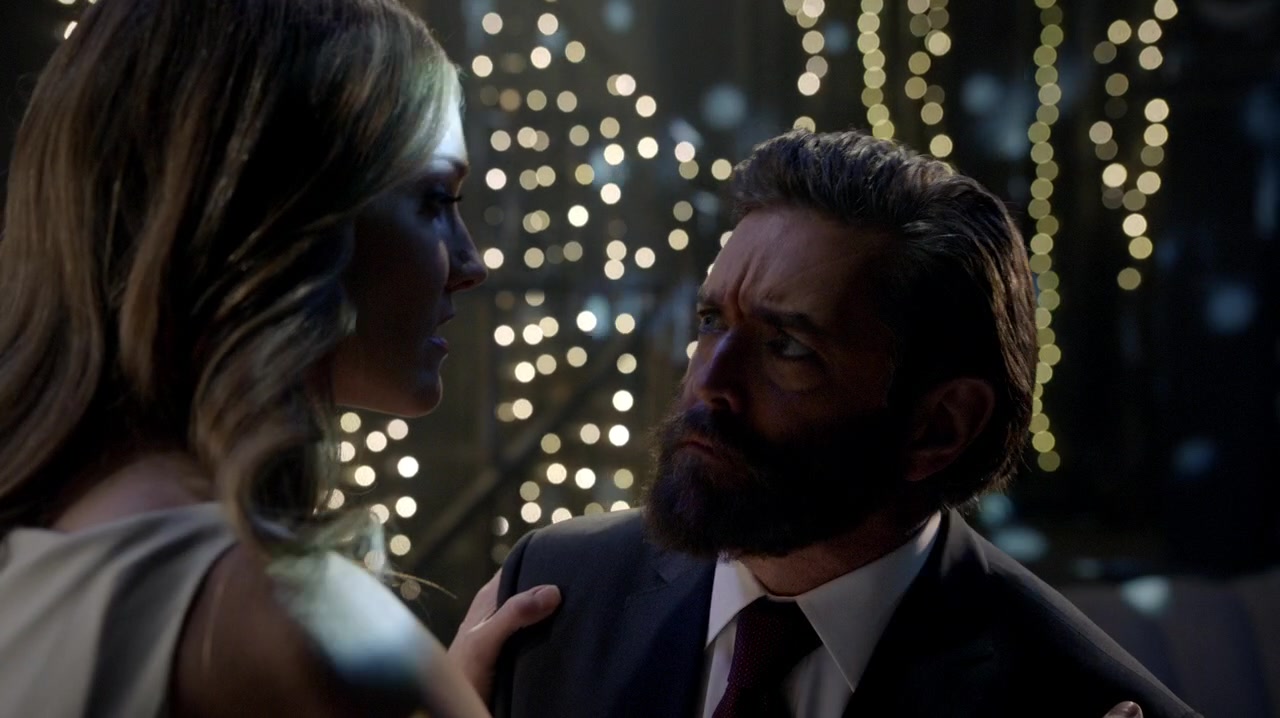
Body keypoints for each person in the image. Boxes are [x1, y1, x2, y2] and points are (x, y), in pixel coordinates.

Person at [483, 130, 1202, 718]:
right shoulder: (553, 595)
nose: (709, 382)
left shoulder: (1072, 701)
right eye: (711, 321)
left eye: (788, 347)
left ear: (939, 427)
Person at [0, 0, 557, 715]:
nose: (471, 264)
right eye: (433, 199)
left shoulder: (41, 557)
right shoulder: (302, 626)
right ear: (284, 221)